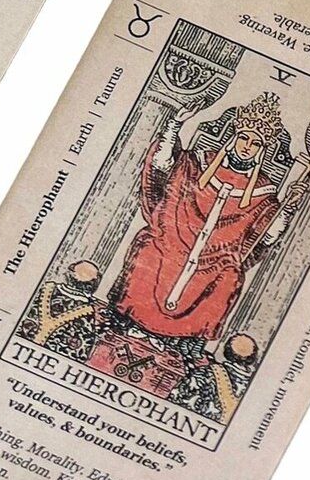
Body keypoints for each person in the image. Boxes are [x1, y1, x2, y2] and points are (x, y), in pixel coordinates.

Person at [112, 89, 290, 346]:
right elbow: (163, 167)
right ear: (234, 137)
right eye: (243, 138)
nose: (247, 147)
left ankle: (186, 341)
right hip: (173, 243)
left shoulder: (263, 192)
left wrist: (288, 207)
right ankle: (127, 320)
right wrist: (175, 125)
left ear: (261, 150)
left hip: (215, 262)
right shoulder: (199, 162)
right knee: (149, 247)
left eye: (255, 144)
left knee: (229, 278)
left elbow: (265, 235)